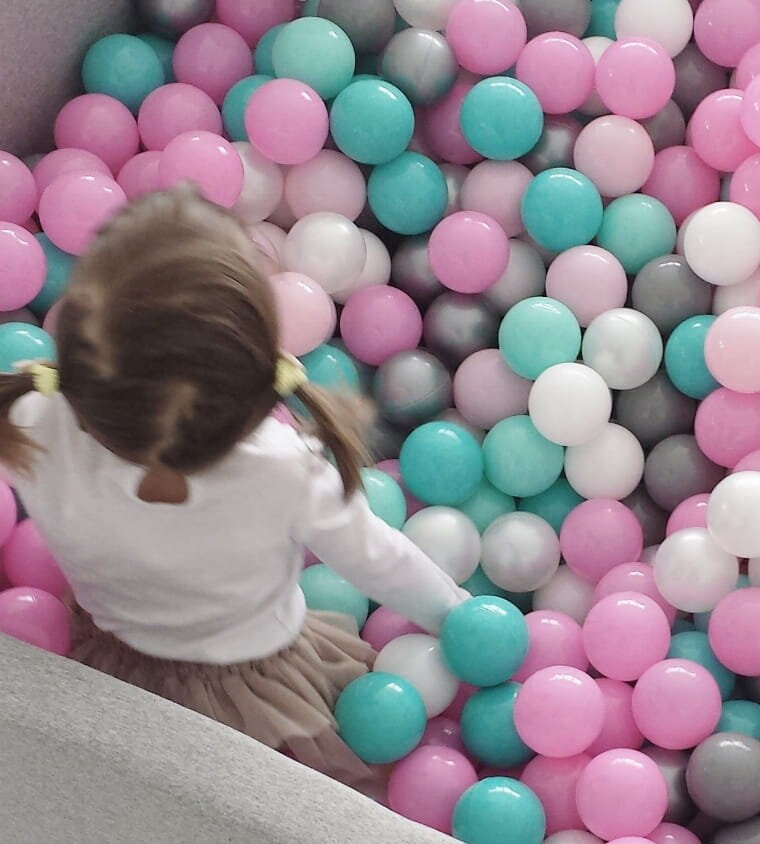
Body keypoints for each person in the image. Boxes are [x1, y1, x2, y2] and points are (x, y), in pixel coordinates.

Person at [0, 187, 466, 784]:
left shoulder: (36, 422)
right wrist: (458, 616)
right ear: (256, 395)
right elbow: (380, 558)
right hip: (255, 691)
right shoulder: (283, 469)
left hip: (112, 677)